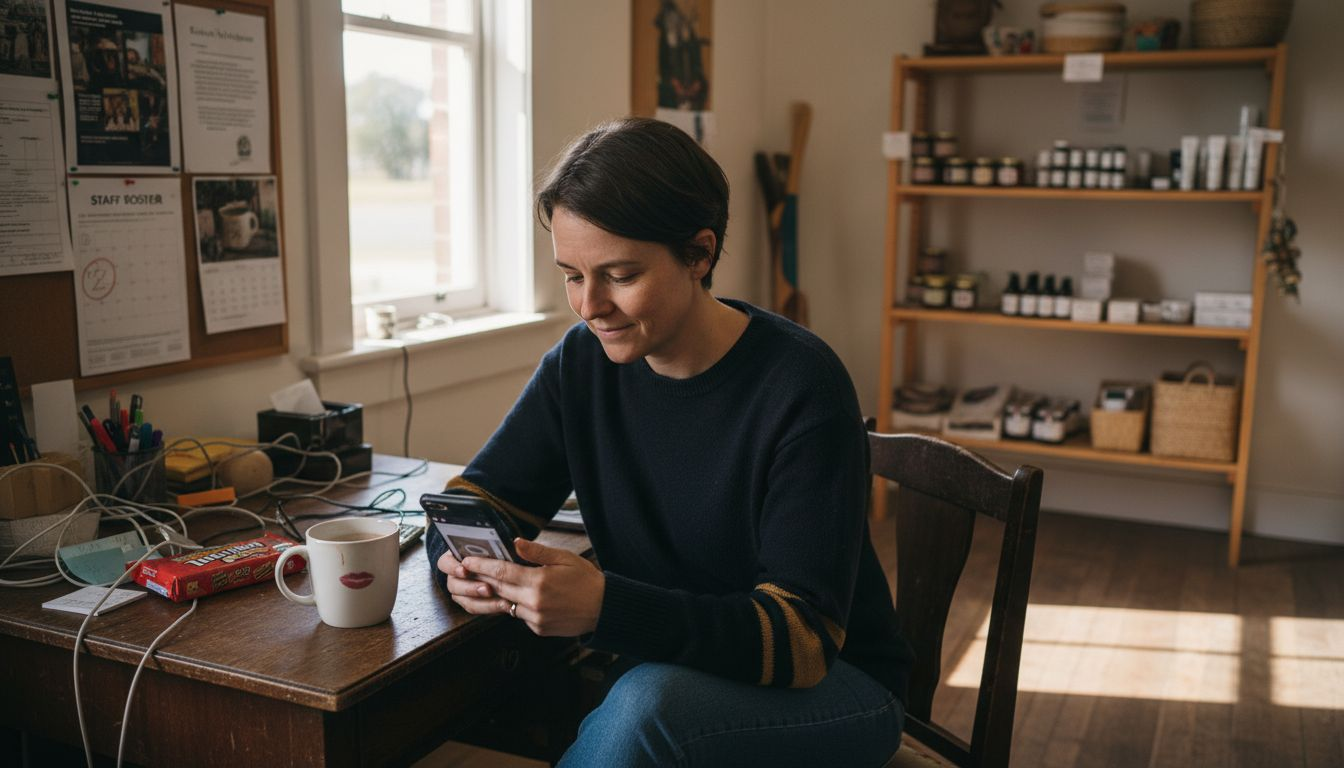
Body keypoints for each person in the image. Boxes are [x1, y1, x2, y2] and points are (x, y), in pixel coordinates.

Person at [426, 117, 912, 766]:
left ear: (700, 254)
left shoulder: (802, 384)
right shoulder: (580, 366)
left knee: (646, 710)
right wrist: (462, 563)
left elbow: (802, 642)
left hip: (840, 689)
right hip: (669, 677)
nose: (590, 305)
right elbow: (475, 499)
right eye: (572, 274)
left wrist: (606, 605)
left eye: (620, 275)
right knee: (635, 703)